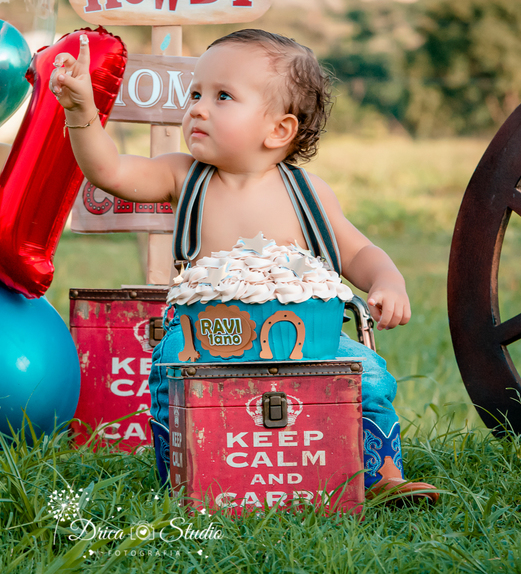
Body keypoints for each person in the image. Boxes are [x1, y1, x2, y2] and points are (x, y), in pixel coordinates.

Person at [50, 28, 436, 502]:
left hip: (302, 337)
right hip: (206, 335)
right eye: (195, 93)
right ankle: (188, 473)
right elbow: (107, 170)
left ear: (279, 129)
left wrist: (386, 279)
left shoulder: (307, 195)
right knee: (171, 372)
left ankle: (381, 476)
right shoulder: (182, 176)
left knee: (369, 378)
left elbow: (356, 252)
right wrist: (82, 113)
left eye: (222, 96)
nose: (197, 107)